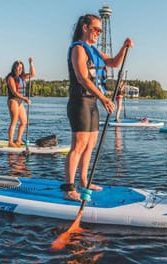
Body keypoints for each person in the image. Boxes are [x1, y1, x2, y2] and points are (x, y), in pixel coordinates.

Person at [63, 14, 133, 201]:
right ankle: (69, 188)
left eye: (101, 31)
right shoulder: (78, 49)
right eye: (96, 29)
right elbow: (82, 78)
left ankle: (83, 181)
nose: (98, 33)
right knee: (78, 146)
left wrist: (124, 48)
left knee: (90, 145)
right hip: (80, 102)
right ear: (85, 27)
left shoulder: (93, 50)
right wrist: (103, 97)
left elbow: (113, 63)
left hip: (92, 102)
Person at [5, 58, 35, 147]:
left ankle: (18, 140)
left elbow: (33, 74)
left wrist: (31, 64)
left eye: (21, 68)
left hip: (20, 101)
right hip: (13, 100)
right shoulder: (10, 78)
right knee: (14, 121)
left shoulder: (22, 77)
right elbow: (14, 92)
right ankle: (10, 142)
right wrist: (25, 99)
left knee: (24, 121)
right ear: (14, 68)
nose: (20, 69)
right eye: (18, 68)